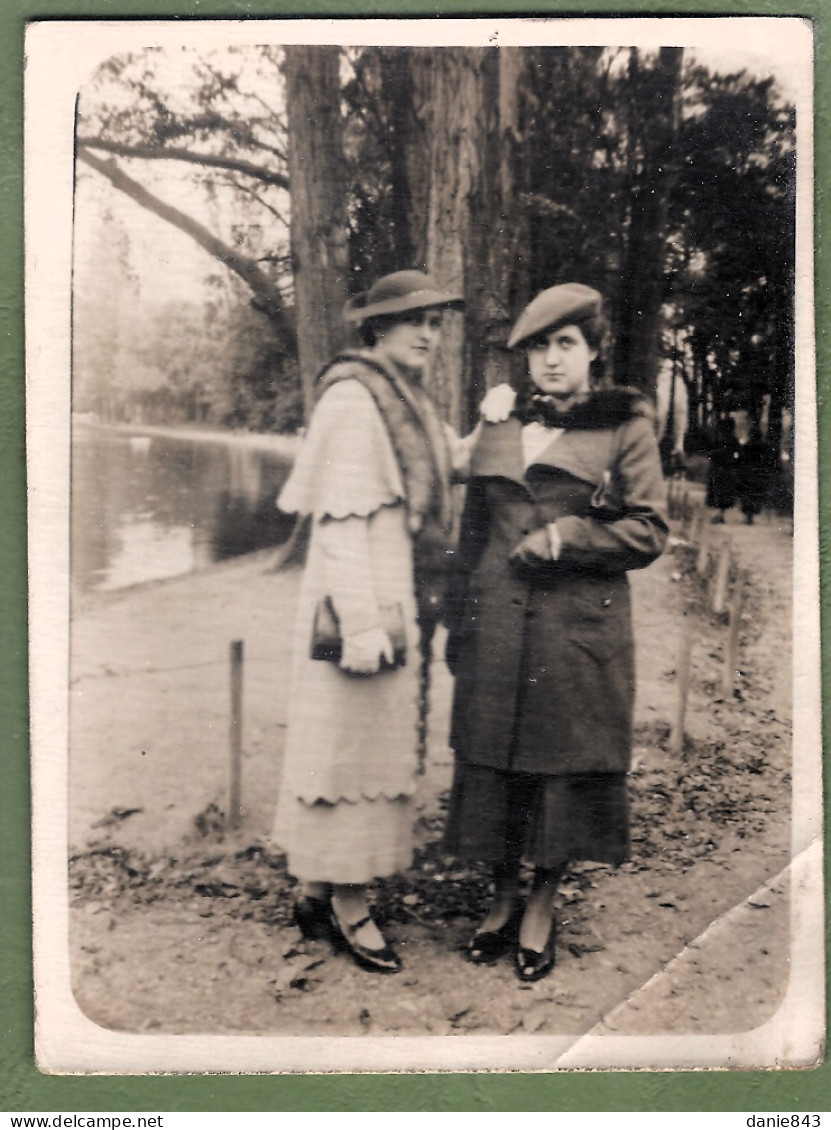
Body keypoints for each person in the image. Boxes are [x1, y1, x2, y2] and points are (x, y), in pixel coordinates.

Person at [272, 270, 506, 975]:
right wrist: (364, 624)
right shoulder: (352, 397)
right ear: (376, 328)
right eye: (413, 322)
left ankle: (317, 891)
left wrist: (489, 422)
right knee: (350, 753)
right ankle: (351, 905)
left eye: (435, 324)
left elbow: (452, 465)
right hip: (359, 605)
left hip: (391, 599)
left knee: (360, 753)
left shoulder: (405, 401)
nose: (428, 336)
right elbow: (339, 527)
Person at [443, 283, 669, 982]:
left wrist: (565, 535)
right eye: (538, 346)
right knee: (492, 760)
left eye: (564, 345)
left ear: (593, 353)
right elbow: (473, 526)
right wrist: (457, 613)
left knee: (557, 767)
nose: (549, 360)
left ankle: (541, 900)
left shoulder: (624, 426)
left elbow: (648, 529)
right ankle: (501, 892)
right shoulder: (504, 423)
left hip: (573, 632)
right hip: (497, 622)